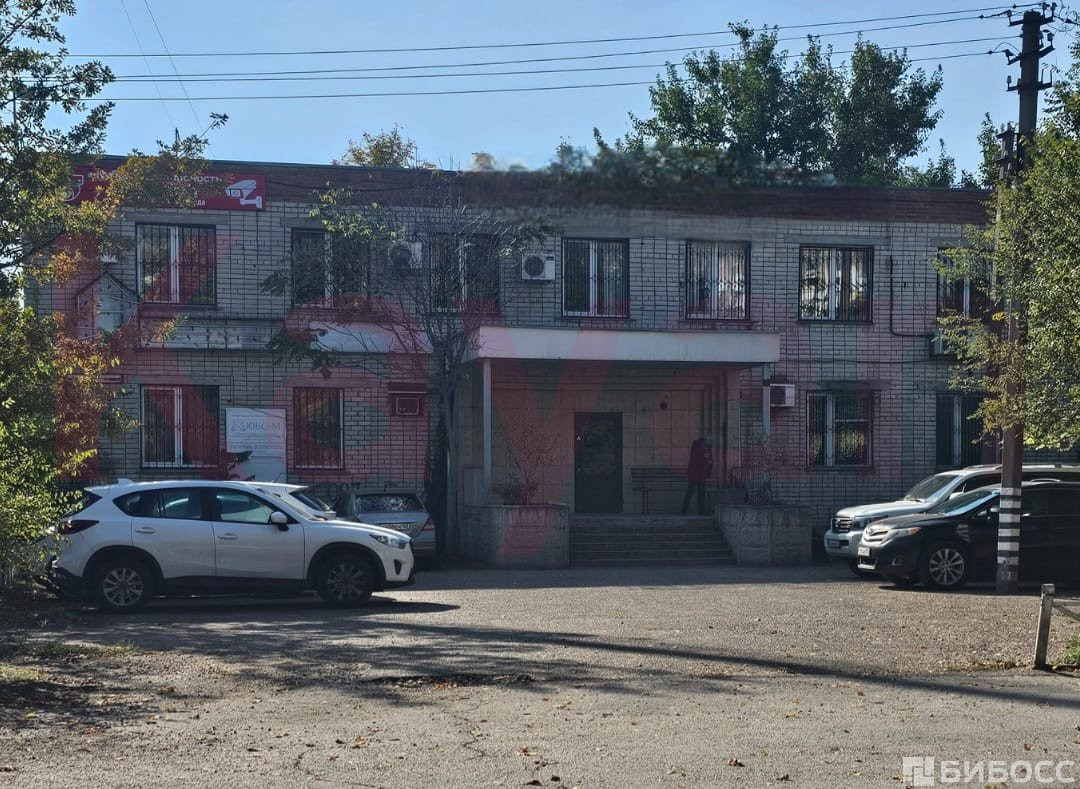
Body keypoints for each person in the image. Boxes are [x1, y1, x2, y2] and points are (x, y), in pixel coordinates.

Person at [681, 435, 713, 515]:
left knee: (701, 493)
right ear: (704, 440)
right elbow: (695, 459)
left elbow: (710, 460)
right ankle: (684, 510)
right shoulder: (697, 446)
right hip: (694, 474)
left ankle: (702, 511)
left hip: (702, 474)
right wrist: (706, 461)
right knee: (690, 492)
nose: (710, 442)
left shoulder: (707, 448)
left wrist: (708, 469)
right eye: (708, 440)